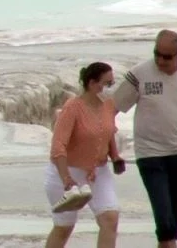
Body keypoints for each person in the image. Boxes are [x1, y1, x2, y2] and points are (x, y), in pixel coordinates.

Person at [112, 29, 177, 248]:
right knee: (164, 219)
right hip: (150, 153)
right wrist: (108, 150)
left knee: (174, 216)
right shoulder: (139, 74)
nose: (160, 60)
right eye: (156, 54)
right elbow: (111, 108)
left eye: (167, 56)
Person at [45, 62, 126, 248]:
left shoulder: (108, 105)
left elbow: (107, 132)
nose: (110, 88)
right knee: (64, 227)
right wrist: (66, 178)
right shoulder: (72, 107)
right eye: (107, 83)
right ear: (92, 83)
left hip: (98, 172)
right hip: (66, 172)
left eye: (112, 83)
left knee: (110, 218)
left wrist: (115, 157)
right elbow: (58, 146)